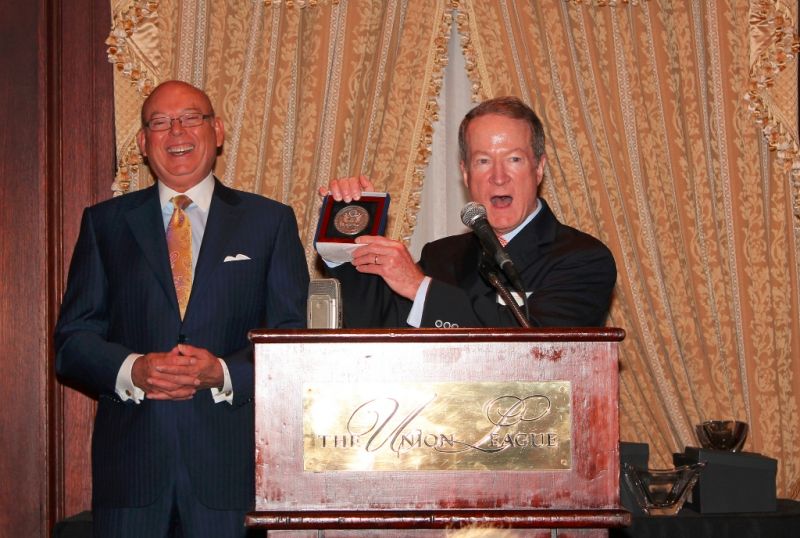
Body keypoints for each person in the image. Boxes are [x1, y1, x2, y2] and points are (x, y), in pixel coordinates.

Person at [55, 80, 309, 537]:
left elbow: (292, 343)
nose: (177, 132)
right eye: (160, 122)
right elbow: (72, 343)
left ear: (218, 131)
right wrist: (134, 369)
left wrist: (223, 373)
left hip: (228, 472)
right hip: (132, 473)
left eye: (191, 118)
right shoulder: (104, 223)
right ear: (142, 142)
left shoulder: (270, 222)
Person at [319, 96, 615, 328]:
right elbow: (380, 325)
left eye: (514, 159)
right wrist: (345, 236)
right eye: (483, 161)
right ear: (465, 173)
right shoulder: (441, 257)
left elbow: (540, 348)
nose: (498, 177)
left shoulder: (583, 259)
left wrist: (420, 287)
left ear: (538, 168)